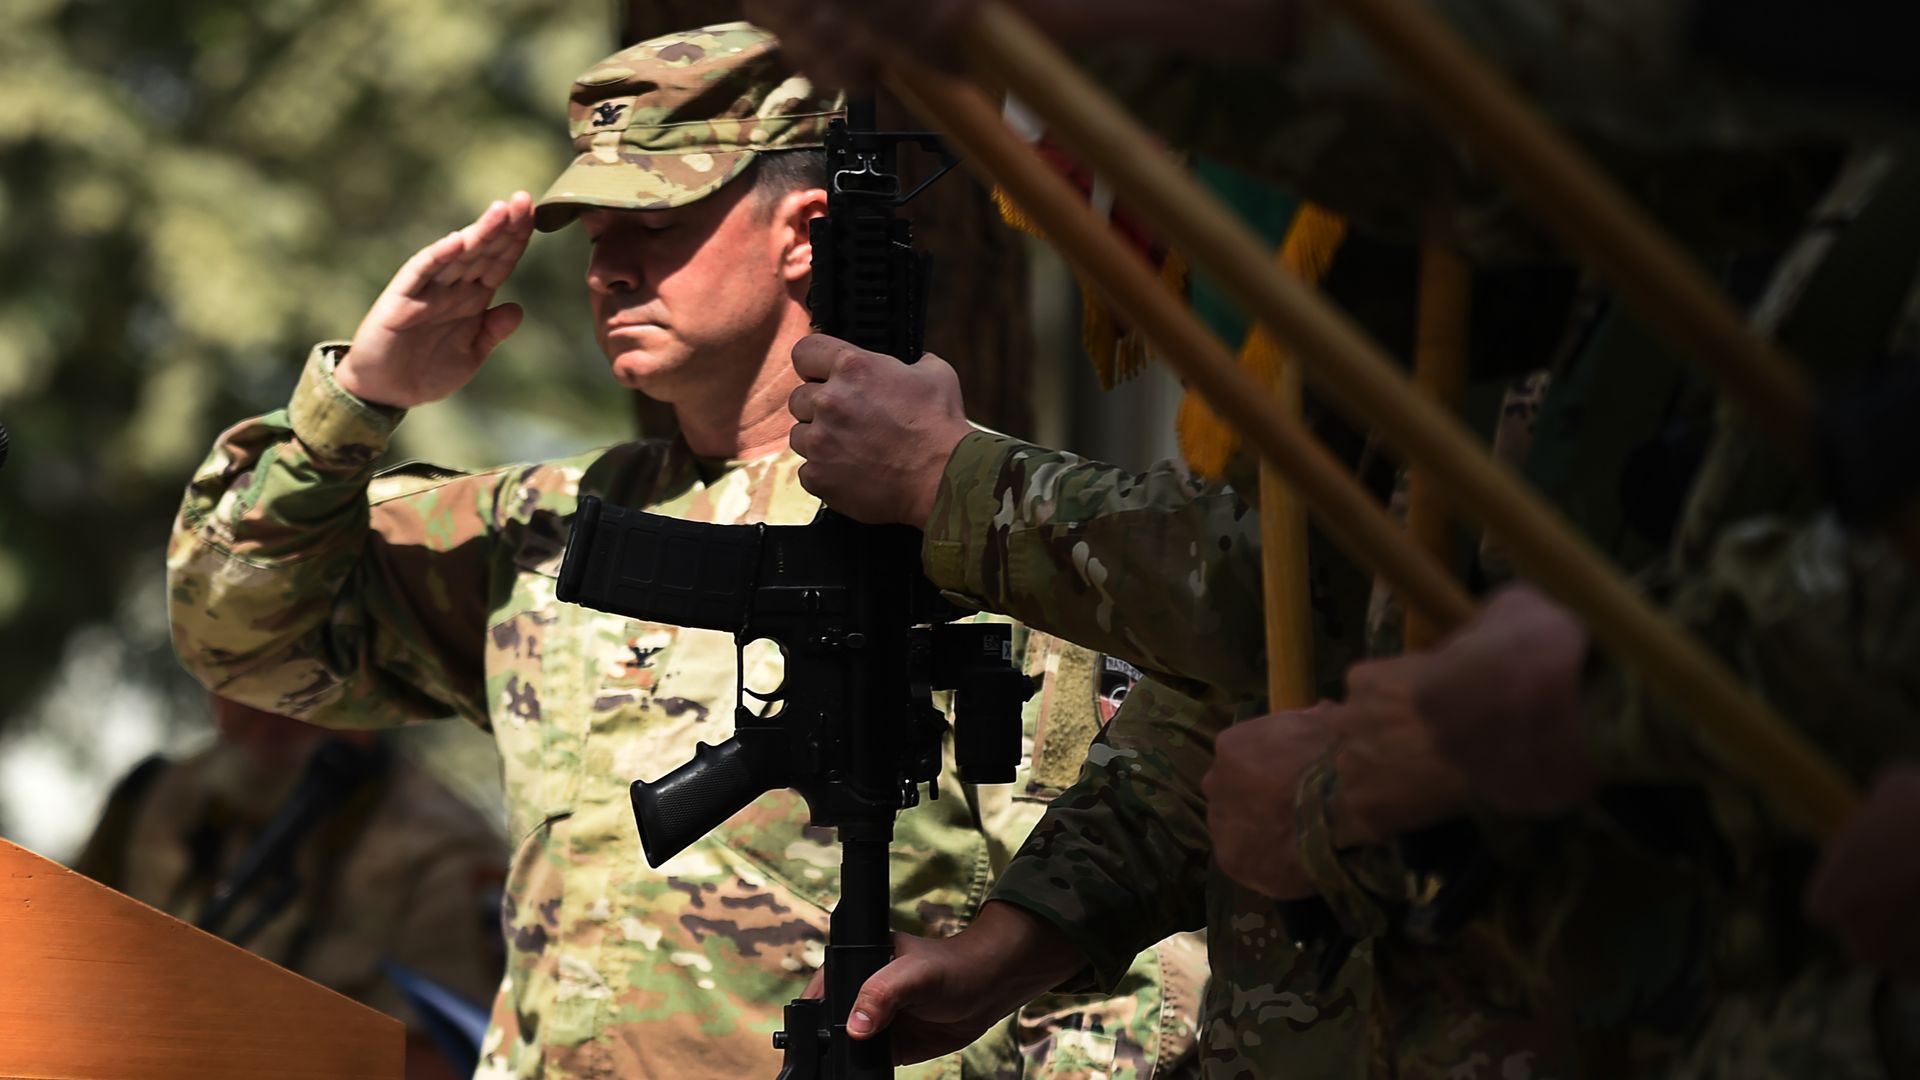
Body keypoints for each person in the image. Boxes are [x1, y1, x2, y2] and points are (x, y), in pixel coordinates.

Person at [747, 2, 1920, 1075]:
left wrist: (961, 485)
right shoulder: (1513, 245)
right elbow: (1278, 634)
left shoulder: (1728, 190)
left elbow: (1308, 595)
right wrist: (1026, 933)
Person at [165, 23, 1203, 1080]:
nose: (608, 269)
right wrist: (359, 402)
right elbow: (239, 631)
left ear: (803, 229)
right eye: (593, 235)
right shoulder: (548, 524)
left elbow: (1129, 952)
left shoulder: (972, 522)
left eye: (651, 222)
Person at [75, 694, 506, 1080]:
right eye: (231, 656)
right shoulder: (155, 802)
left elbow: (442, 1061)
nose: (262, 694)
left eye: (294, 654)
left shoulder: (444, 851)